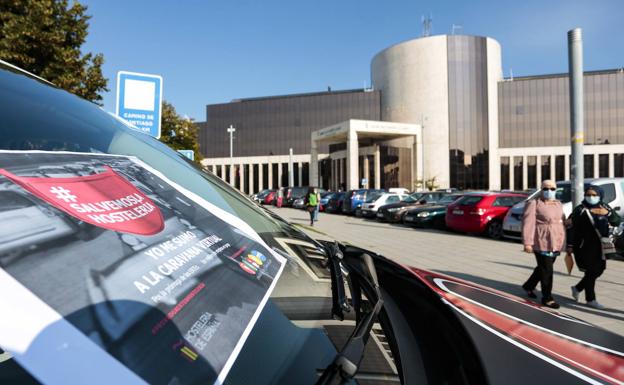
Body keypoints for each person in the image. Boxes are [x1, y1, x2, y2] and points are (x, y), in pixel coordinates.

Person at [567, 185, 621, 309]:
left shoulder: (605, 207)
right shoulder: (580, 209)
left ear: (600, 196)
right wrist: (570, 245)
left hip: (602, 244)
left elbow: (616, 221)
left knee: (600, 269)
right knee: (591, 271)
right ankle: (590, 299)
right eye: (588, 194)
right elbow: (571, 227)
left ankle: (577, 288)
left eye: (594, 195)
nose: (591, 197)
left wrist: (608, 214)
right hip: (585, 245)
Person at [521, 180, 566, 309]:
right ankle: (547, 298)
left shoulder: (558, 204)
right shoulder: (534, 203)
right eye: (546, 188)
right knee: (547, 270)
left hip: (556, 241)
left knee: (543, 267)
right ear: (541, 190)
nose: (549, 191)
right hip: (541, 241)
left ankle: (528, 286)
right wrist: (527, 243)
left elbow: (560, 220)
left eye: (552, 189)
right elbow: (528, 224)